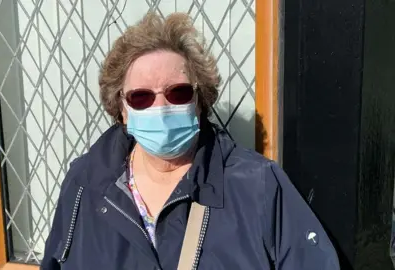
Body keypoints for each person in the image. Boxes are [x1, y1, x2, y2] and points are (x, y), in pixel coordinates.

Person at [41, 12, 339, 270]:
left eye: (178, 93)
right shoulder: (85, 182)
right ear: (121, 110)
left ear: (199, 100)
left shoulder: (258, 186)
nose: (160, 108)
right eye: (141, 97)